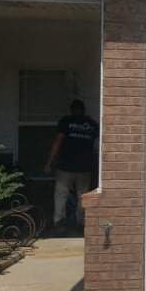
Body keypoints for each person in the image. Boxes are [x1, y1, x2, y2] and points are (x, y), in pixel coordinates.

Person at [45, 99, 98, 233]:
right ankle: (81, 223)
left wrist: (49, 162)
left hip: (65, 166)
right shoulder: (92, 124)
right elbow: (98, 145)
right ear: (84, 110)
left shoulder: (66, 122)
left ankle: (59, 222)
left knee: (61, 195)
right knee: (83, 196)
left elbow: (58, 142)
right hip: (85, 167)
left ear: (72, 110)